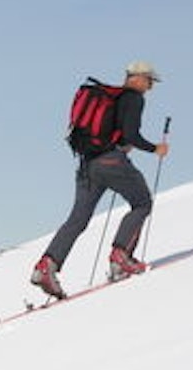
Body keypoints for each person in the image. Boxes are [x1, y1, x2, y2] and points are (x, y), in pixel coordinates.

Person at [31, 60, 170, 299]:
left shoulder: (112, 98)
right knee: (142, 203)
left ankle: (46, 266)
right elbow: (131, 134)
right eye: (149, 81)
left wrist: (122, 144)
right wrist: (155, 148)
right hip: (111, 162)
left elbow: (116, 134)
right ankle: (121, 257)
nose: (150, 86)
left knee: (78, 219)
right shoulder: (133, 98)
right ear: (138, 78)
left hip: (88, 165)